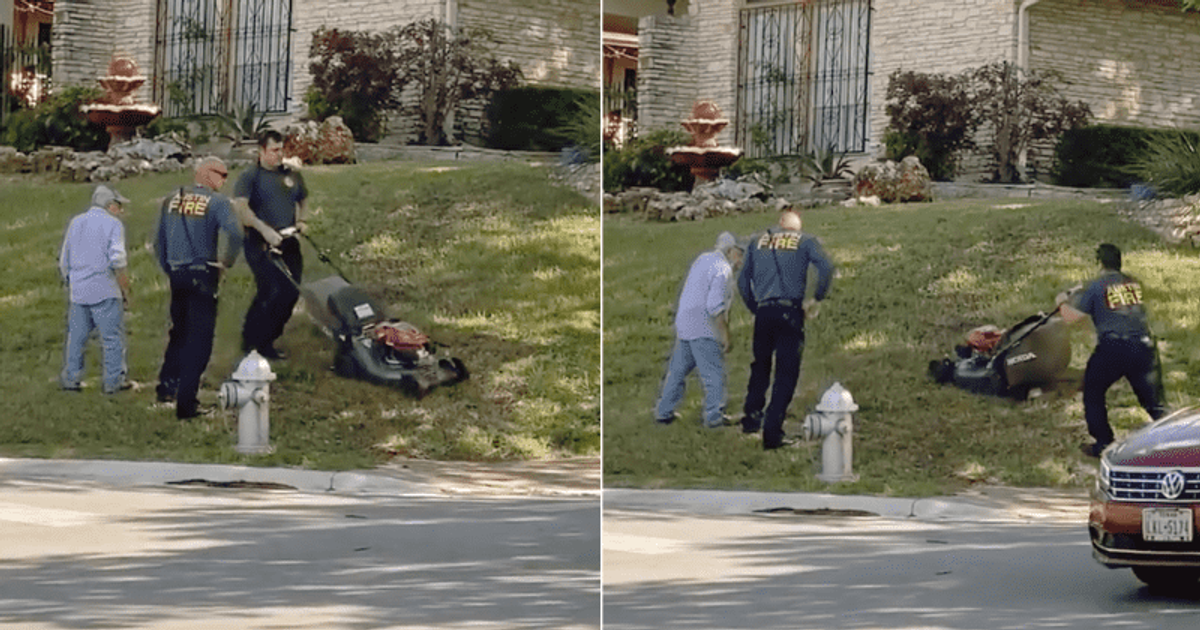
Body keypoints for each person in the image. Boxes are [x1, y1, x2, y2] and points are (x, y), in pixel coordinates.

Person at [155, 157, 244, 420]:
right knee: (199, 341)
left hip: (177, 274)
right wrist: (225, 263)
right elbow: (236, 234)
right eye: (222, 174)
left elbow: (159, 241)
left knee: (178, 332)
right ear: (206, 174)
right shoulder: (217, 203)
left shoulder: (172, 198)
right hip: (202, 273)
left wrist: (169, 268)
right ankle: (187, 403)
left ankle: (166, 386)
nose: (224, 180)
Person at [737, 208, 834, 450]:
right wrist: (816, 298)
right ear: (796, 227)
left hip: (764, 311)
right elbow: (826, 267)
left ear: (780, 224)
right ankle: (772, 432)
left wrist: (754, 307)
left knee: (760, 365)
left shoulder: (756, 241)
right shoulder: (805, 240)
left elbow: (742, 280)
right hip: (790, 311)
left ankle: (751, 417)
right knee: (785, 373)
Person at [1057, 243, 1166, 457]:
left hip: (1114, 348)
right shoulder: (1133, 283)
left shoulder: (1096, 286)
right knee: (1155, 402)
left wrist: (1061, 302)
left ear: (1099, 262)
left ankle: (1103, 443)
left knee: (1093, 391)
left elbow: (1071, 318)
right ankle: (1178, 442)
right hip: (1145, 346)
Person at [654, 231, 744, 428]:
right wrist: (725, 334)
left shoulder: (703, 259)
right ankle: (714, 417)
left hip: (685, 322)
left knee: (677, 371)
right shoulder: (723, 269)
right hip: (704, 327)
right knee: (714, 373)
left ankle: (663, 411)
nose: (741, 259)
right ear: (731, 251)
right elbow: (714, 305)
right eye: (740, 253)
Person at [235, 129, 309, 360]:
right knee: (270, 290)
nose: (279, 155)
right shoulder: (250, 176)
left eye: (281, 150)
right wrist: (264, 230)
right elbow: (241, 208)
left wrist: (302, 220)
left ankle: (268, 338)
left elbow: (303, 198)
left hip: (288, 241)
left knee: (291, 292)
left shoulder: (291, 174)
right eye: (274, 150)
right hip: (260, 242)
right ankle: (252, 342)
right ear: (261, 151)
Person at [58, 184, 134, 394]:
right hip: (105, 289)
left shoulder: (76, 222)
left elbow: (65, 260)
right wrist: (125, 289)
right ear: (110, 205)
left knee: (76, 338)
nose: (121, 210)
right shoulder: (113, 225)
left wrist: (71, 281)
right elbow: (117, 259)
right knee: (112, 338)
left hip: (79, 291)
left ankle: (71, 379)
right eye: (119, 205)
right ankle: (114, 381)